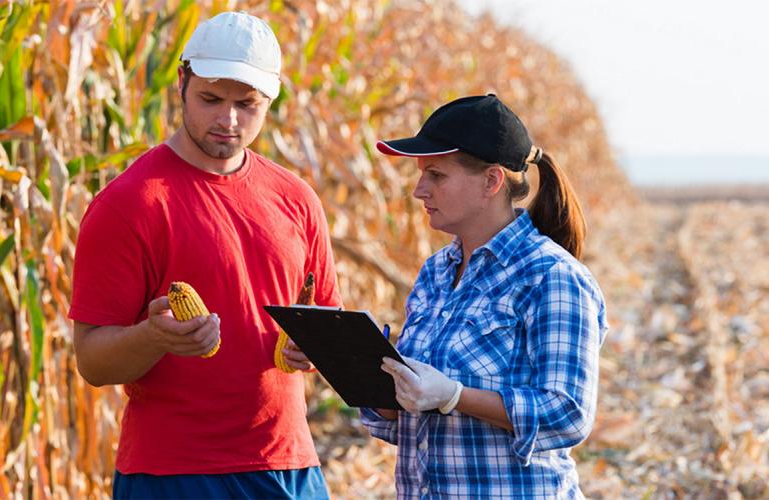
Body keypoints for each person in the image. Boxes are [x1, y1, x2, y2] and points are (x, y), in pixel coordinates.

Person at [69, 11, 341, 499]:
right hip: (173, 473)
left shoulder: (297, 200)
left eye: (247, 105)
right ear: (181, 82)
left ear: (271, 100)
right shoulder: (129, 204)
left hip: (290, 465)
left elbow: (327, 320)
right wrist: (154, 337)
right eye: (211, 99)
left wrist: (316, 349)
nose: (228, 120)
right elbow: (92, 362)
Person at [361, 94, 608, 498]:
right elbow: (406, 419)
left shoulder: (552, 277)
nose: (419, 190)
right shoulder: (436, 272)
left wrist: (455, 396)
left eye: (436, 175)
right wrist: (365, 369)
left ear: (491, 182)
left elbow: (568, 414)